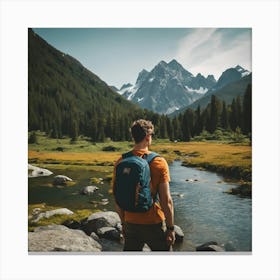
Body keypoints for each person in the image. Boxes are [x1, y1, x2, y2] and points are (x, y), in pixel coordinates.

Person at [112, 119, 175, 251]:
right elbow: (166, 200)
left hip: (130, 222)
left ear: (133, 137)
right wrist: (170, 228)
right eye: (151, 135)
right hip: (154, 223)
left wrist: (123, 223)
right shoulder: (159, 162)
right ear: (147, 137)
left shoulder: (121, 161)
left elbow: (117, 196)